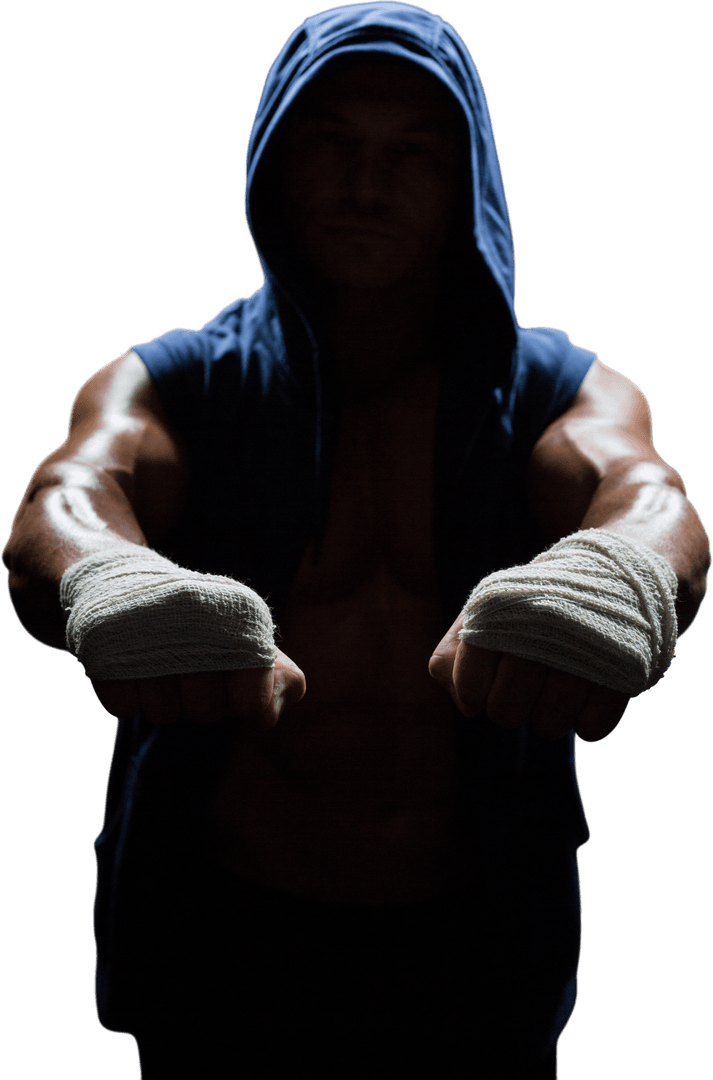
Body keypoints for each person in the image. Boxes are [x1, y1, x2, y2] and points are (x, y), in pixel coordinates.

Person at [3, 3, 709, 1078]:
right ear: (276, 163)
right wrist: (108, 580)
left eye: (411, 152)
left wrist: (616, 574)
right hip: (226, 944)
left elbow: (641, 490)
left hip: (474, 954)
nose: (367, 186)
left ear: (463, 181)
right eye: (331, 143)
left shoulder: (551, 391)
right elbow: (72, 489)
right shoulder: (179, 381)